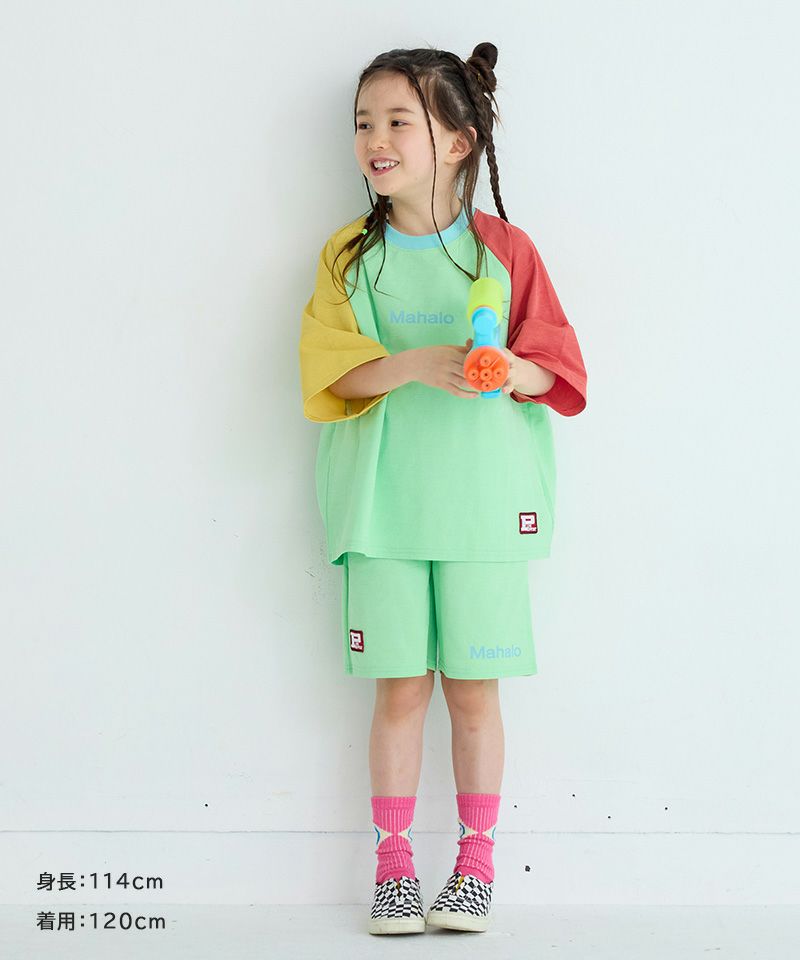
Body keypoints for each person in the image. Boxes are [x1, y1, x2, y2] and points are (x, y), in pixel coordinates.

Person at [298, 42, 587, 935]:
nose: (375, 140)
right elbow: (332, 373)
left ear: (458, 142)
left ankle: (474, 867)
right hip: (381, 511)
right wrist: (417, 362)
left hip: (484, 513)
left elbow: (555, 366)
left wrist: (509, 372)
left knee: (473, 693)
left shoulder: (505, 251)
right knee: (397, 693)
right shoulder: (350, 256)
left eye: (398, 121)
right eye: (364, 123)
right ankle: (393, 871)